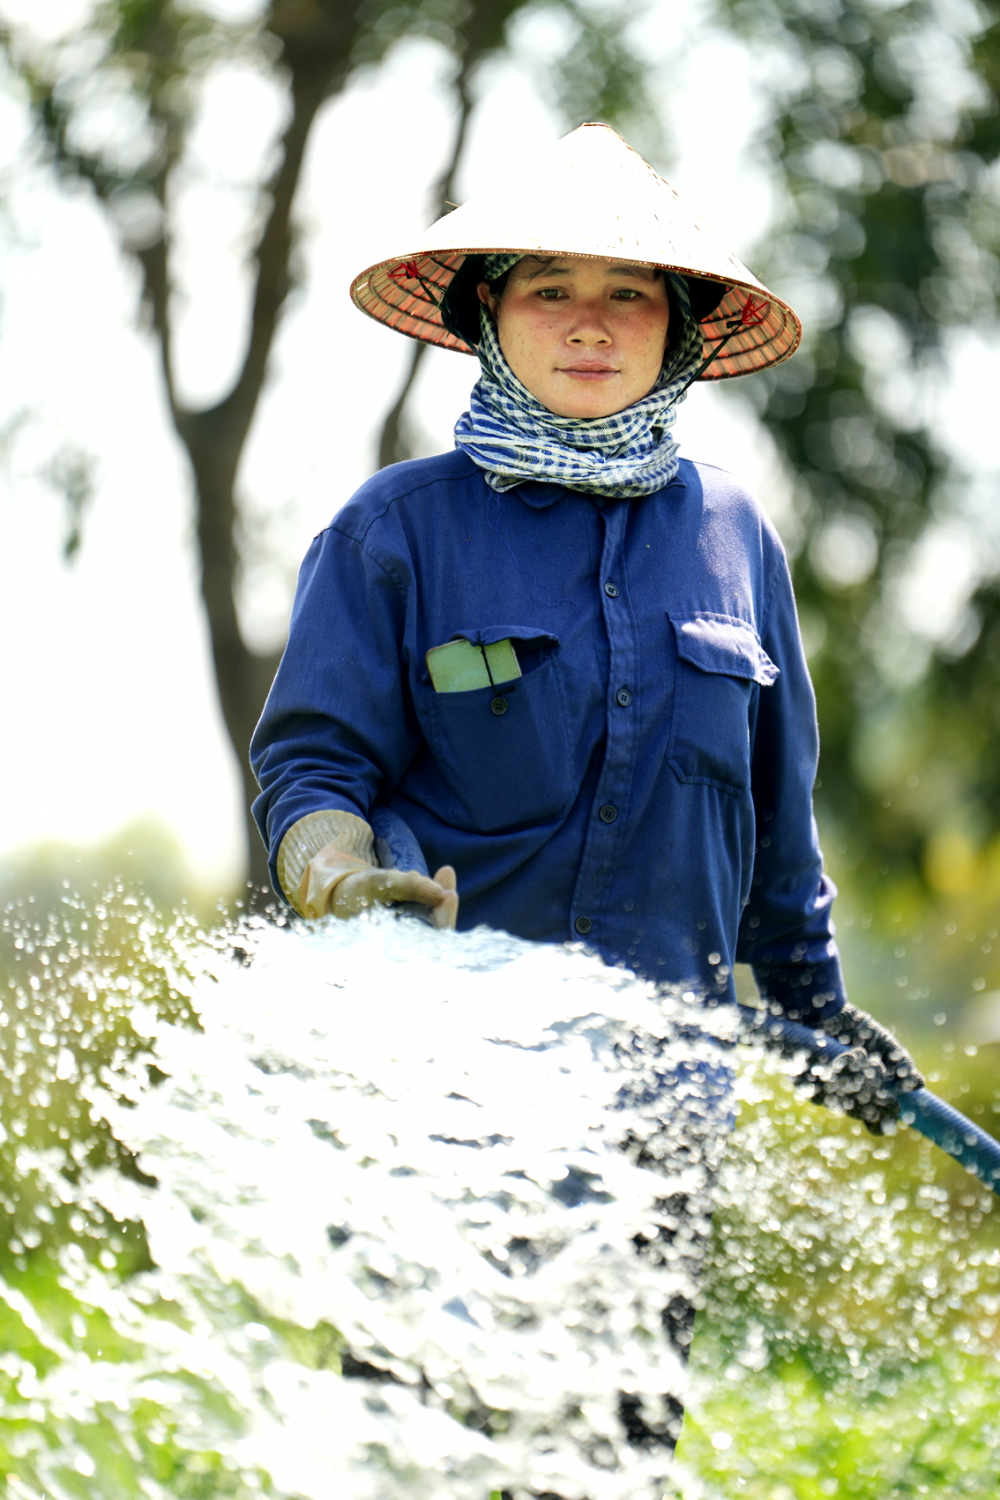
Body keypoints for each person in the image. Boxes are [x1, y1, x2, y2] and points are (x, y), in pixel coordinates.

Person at [250, 123, 922, 1477]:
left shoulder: (737, 543)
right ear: (485, 311)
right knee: (421, 1450)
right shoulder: (397, 530)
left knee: (613, 1453)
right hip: (441, 1085)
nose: (591, 323)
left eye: (631, 292)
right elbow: (311, 768)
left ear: (680, 330)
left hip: (658, 1104)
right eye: (549, 287)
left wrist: (816, 1013)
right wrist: (332, 870)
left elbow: (774, 840)